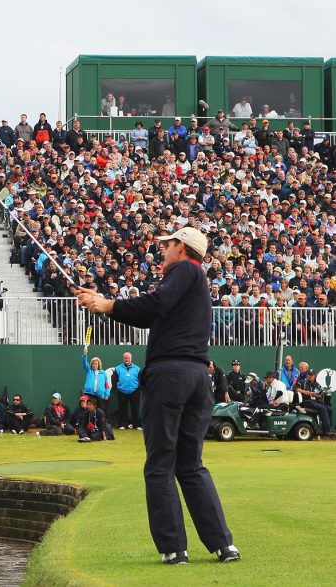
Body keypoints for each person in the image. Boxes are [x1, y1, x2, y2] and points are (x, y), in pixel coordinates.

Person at [76, 226, 239, 564]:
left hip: (170, 376)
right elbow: (152, 314)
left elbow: (155, 303)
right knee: (190, 465)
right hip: (197, 378)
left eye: (167, 245)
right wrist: (106, 306)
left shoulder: (183, 270)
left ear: (181, 248)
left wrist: (107, 304)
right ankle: (224, 545)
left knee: (160, 464)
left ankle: (174, 549)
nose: (162, 251)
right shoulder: (196, 281)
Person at [292, 369, 334, 436]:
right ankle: (327, 431)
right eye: (309, 375)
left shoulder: (317, 385)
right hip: (306, 401)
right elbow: (294, 388)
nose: (310, 376)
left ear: (315, 376)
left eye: (311, 375)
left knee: (329, 409)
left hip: (315, 401)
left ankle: (328, 428)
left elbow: (321, 395)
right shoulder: (302, 382)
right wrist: (305, 392)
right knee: (322, 409)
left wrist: (315, 395)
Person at [114, 352, 141, 429]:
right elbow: (114, 380)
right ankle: (123, 424)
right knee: (123, 409)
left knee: (135, 409)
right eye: (125, 358)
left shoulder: (137, 368)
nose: (126, 359)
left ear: (131, 358)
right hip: (122, 391)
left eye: (128, 358)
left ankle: (136, 425)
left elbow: (140, 380)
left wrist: (139, 389)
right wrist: (117, 389)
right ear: (123, 358)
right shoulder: (118, 368)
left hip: (134, 391)